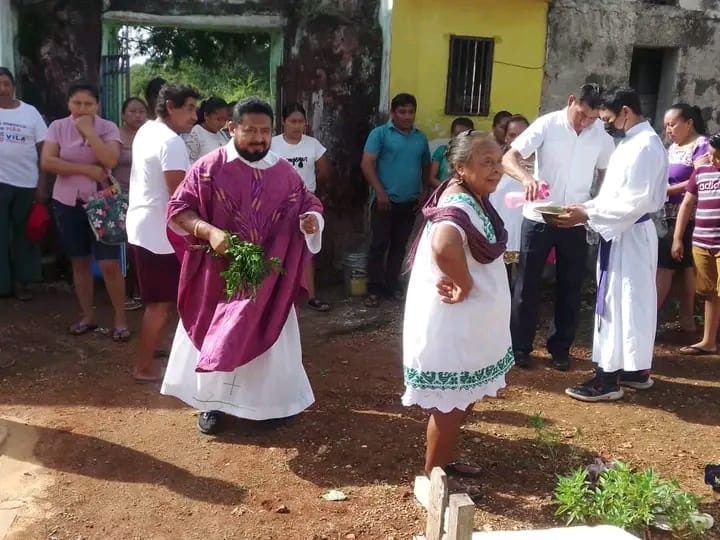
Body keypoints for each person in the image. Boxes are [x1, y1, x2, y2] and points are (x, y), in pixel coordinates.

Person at [160, 97, 324, 435]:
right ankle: (211, 407)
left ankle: (269, 406)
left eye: (265, 131)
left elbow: (309, 203)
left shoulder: (283, 171)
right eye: (250, 130)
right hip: (217, 275)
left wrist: (311, 220)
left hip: (267, 276)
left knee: (271, 338)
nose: (259, 138)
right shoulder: (208, 168)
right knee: (215, 335)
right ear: (232, 128)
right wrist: (209, 231)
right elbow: (179, 208)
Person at [402, 130, 513, 496]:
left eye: (499, 161)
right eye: (487, 163)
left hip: (469, 323)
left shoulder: (471, 195)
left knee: (462, 400)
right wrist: (464, 284)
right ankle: (433, 481)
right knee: (450, 407)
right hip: (453, 323)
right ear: (461, 168)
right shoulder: (460, 203)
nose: (497, 169)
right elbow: (444, 244)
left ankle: (444, 463)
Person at [555, 87, 668, 402]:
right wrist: (587, 207)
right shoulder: (632, 142)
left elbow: (635, 201)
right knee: (630, 303)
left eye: (608, 120)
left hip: (629, 233)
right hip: (624, 233)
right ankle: (633, 369)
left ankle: (607, 379)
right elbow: (614, 195)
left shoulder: (644, 145)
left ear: (626, 113)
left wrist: (587, 214)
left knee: (621, 304)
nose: (604, 125)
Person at [503, 83, 615, 370]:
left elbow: (607, 173)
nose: (586, 123)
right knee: (527, 285)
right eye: (582, 115)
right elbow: (509, 158)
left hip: (575, 218)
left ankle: (561, 348)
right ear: (571, 101)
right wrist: (526, 179)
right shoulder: (547, 125)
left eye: (592, 118)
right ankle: (520, 348)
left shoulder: (600, 135)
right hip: (538, 216)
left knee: (571, 285)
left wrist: (597, 206)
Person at [41, 80, 129, 341]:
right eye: (77, 103)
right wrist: (87, 169)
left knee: (109, 263)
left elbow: (110, 160)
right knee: (79, 262)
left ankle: (121, 319)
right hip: (67, 202)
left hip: (103, 202)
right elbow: (47, 161)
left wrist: (89, 132)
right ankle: (87, 316)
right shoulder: (57, 127)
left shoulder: (107, 128)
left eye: (88, 104)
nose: (82, 108)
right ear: (68, 103)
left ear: (97, 105)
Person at [126, 83, 199, 382]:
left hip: (144, 226)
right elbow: (179, 198)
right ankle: (144, 368)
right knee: (160, 305)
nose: (195, 116)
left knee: (163, 302)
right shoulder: (171, 142)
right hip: (162, 233)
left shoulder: (146, 131)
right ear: (170, 106)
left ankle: (164, 356)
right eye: (190, 108)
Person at [361, 93, 431, 307]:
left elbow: (426, 165)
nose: (407, 116)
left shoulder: (420, 138)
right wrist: (380, 192)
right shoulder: (380, 134)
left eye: (411, 112)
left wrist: (424, 191)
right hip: (385, 201)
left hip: (409, 201)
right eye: (402, 112)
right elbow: (367, 164)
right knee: (378, 245)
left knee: (400, 246)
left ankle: (392, 286)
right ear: (393, 113)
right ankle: (374, 289)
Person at [271, 102, 332, 312]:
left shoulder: (312, 144)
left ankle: (311, 296)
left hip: (305, 204)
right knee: (278, 249)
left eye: (301, 122)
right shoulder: (273, 144)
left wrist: (309, 192)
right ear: (283, 122)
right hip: (278, 206)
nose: (297, 126)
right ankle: (278, 296)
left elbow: (324, 170)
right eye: (293, 121)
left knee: (307, 250)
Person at [657, 103, 709, 332]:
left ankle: (653, 318)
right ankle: (687, 319)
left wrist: (668, 191)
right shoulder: (674, 147)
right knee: (685, 266)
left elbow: (699, 179)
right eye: (666, 126)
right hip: (666, 214)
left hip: (686, 216)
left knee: (666, 265)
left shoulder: (701, 145)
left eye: (672, 124)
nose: (668, 130)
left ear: (689, 123)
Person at [0, 67, 47, 301]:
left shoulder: (30, 113)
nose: (2, 89)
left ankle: (23, 282)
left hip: (26, 183)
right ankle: (2, 285)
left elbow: (43, 150)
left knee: (25, 235)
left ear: (13, 86)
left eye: (6, 83)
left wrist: (42, 183)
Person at [672, 133, 720, 355]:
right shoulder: (700, 172)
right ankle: (708, 341)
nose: (712, 160)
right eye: (710, 155)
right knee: (710, 292)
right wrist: (678, 238)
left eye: (717, 157)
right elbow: (687, 204)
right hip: (701, 241)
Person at [114, 97, 148, 311]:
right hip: (120, 195)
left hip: (143, 196)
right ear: (123, 114)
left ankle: (140, 290)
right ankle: (124, 292)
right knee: (123, 245)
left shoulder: (149, 135)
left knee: (141, 244)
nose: (137, 115)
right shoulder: (115, 135)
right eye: (132, 111)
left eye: (141, 111)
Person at [489, 115, 531, 286]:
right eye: (512, 135)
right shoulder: (494, 163)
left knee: (526, 280)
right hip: (500, 230)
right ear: (505, 137)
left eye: (523, 134)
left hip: (529, 230)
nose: (518, 139)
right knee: (501, 280)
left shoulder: (541, 164)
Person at [429, 117, 474, 187]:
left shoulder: (474, 155)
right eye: (457, 135)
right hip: (443, 194)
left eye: (465, 136)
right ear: (452, 135)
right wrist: (448, 190)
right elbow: (431, 178)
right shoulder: (442, 151)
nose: (460, 138)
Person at [184, 97, 229, 163]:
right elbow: (189, 163)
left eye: (225, 120)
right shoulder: (194, 135)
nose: (222, 124)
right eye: (218, 119)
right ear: (206, 116)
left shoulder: (222, 134)